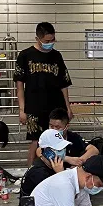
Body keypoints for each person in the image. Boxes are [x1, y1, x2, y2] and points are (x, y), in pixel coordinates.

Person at [15, 22, 73, 166]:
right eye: (47, 41)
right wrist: (22, 110)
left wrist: (68, 107)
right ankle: (30, 173)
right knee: (36, 141)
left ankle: (60, 169)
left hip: (56, 105)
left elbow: (64, 84)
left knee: (59, 138)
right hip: (34, 106)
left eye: (53, 40)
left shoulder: (57, 56)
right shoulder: (25, 56)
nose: (50, 43)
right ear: (37, 38)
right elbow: (19, 85)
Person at [19, 129, 72, 197]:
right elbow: (63, 195)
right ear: (46, 151)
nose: (62, 152)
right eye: (58, 150)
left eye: (63, 148)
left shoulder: (55, 165)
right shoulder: (39, 173)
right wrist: (60, 174)